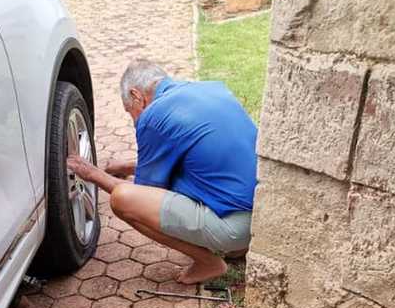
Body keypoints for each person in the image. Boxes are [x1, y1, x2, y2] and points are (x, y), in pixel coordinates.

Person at [67, 59, 258, 284]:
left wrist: (92, 174)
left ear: (137, 95)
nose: (134, 120)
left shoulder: (153, 116)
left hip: (233, 227)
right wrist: (128, 167)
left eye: (130, 112)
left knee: (122, 200)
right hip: (259, 217)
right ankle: (235, 247)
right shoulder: (211, 89)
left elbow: (143, 194)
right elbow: (196, 156)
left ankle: (209, 263)